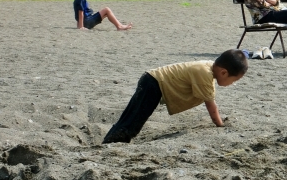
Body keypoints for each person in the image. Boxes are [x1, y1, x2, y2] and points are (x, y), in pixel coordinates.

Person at [103, 49, 248, 144]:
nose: (231, 84)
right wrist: (220, 124)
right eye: (233, 80)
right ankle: (114, 141)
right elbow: (210, 104)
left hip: (153, 81)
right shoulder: (204, 73)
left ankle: (113, 139)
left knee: (132, 115)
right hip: (154, 83)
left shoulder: (208, 67)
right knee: (134, 117)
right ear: (223, 72)